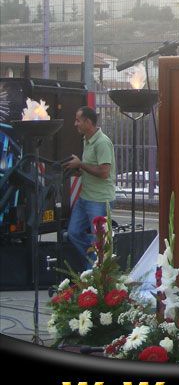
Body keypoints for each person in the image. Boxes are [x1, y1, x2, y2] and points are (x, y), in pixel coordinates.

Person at [64, 106, 116, 266]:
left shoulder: (102, 142)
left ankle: (96, 268)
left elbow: (104, 172)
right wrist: (80, 170)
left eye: (78, 120)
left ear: (88, 122)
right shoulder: (87, 140)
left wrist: (81, 164)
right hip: (85, 197)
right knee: (73, 233)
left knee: (99, 239)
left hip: (99, 201)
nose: (75, 124)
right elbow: (92, 167)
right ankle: (94, 261)